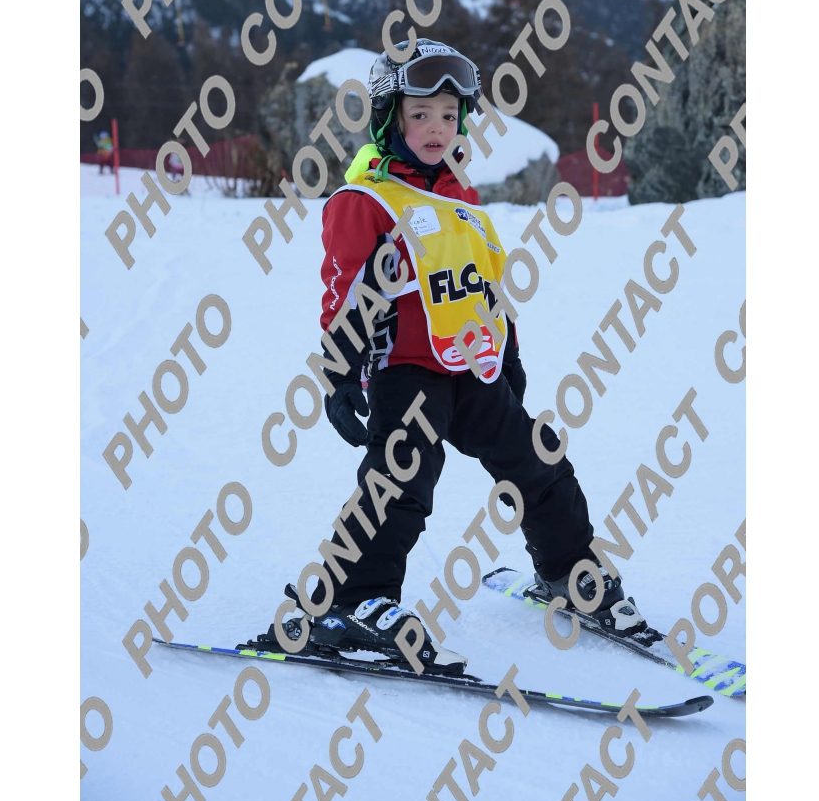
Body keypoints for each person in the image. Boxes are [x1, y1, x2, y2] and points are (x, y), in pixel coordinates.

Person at [276, 39, 646, 674]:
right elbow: (343, 292)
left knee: (537, 460)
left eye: (449, 115)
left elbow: (487, 288)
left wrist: (511, 355)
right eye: (420, 114)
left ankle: (570, 572)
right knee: (401, 480)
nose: (436, 128)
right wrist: (339, 373)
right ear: (390, 119)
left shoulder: (463, 203)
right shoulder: (366, 201)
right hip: (405, 371)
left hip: (474, 369)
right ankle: (352, 601)